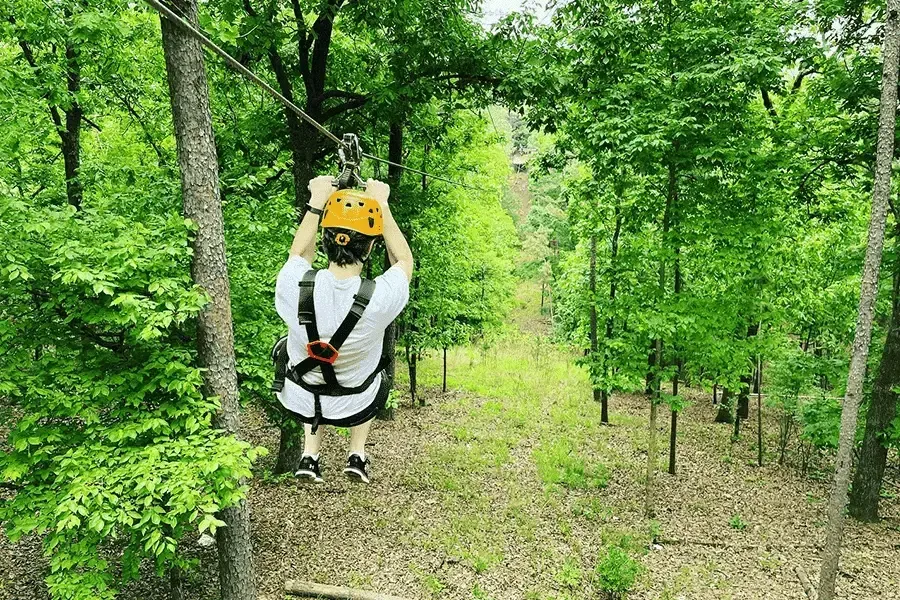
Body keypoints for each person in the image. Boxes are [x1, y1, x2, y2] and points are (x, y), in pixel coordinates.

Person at [274, 175, 413, 484]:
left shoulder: (294, 285)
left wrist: (316, 203)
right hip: (357, 398)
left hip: (300, 393)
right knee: (375, 368)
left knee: (319, 373)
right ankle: (357, 453)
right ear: (371, 247)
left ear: (326, 240)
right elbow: (403, 260)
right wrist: (383, 205)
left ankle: (310, 454)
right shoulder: (379, 298)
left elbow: (298, 256)